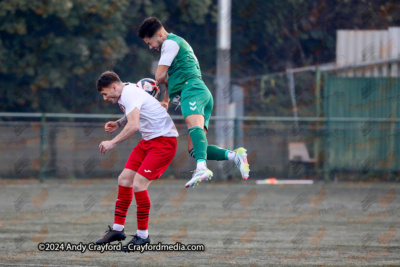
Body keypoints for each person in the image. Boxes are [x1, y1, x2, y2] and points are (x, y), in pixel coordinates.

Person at [137, 17, 250, 188]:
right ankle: (235, 156)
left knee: (193, 126)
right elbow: (173, 77)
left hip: (192, 90)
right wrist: (166, 100)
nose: (150, 47)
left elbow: (160, 77)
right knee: (193, 149)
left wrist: (156, 83)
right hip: (198, 92)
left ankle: (201, 168)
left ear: (159, 34)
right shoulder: (175, 45)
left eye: (150, 42)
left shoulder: (170, 44)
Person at [95, 71, 178, 247]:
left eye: (105, 94)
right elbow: (136, 114)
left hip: (164, 142)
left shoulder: (129, 93)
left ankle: (143, 235)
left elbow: (134, 125)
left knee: (139, 184)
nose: (105, 98)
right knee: (124, 179)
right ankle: (117, 230)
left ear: (114, 87)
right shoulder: (129, 90)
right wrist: (118, 123)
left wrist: (112, 143)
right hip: (148, 141)